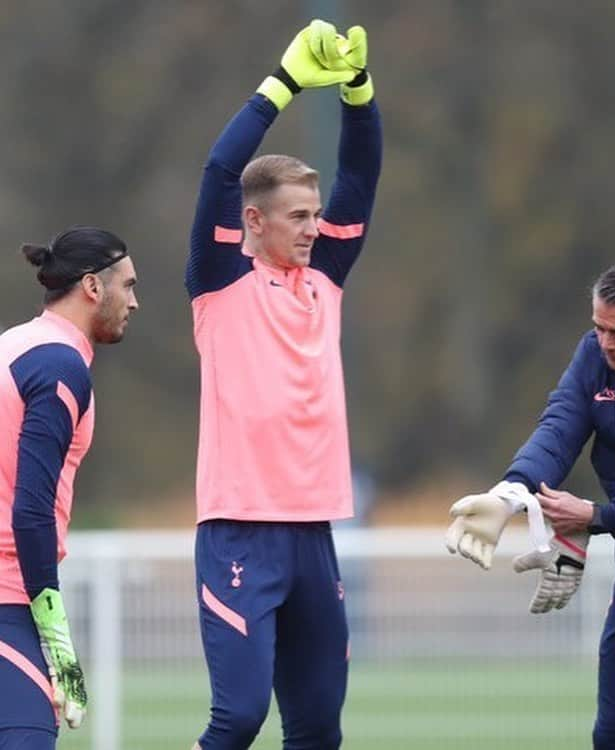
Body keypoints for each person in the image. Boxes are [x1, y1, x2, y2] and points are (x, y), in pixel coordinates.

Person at [186, 19, 381, 750]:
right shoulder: (221, 281)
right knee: (237, 720)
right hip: (239, 528)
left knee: (318, 729)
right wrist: (285, 82)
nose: (312, 228)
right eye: (298, 216)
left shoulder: (323, 281)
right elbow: (214, 173)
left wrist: (359, 93)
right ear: (253, 221)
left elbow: (362, 177)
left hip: (314, 533)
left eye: (315, 214)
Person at [446, 257, 615, 749]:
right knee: (614, 737)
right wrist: (512, 492)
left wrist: (598, 518)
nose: (607, 343)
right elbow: (559, 426)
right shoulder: (594, 355)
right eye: (599, 327)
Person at [0, 226, 137, 748]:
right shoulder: (59, 364)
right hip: (10, 598)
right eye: (127, 285)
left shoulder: (15, 344)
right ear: (92, 287)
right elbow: (30, 511)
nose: (135, 301)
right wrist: (60, 646)